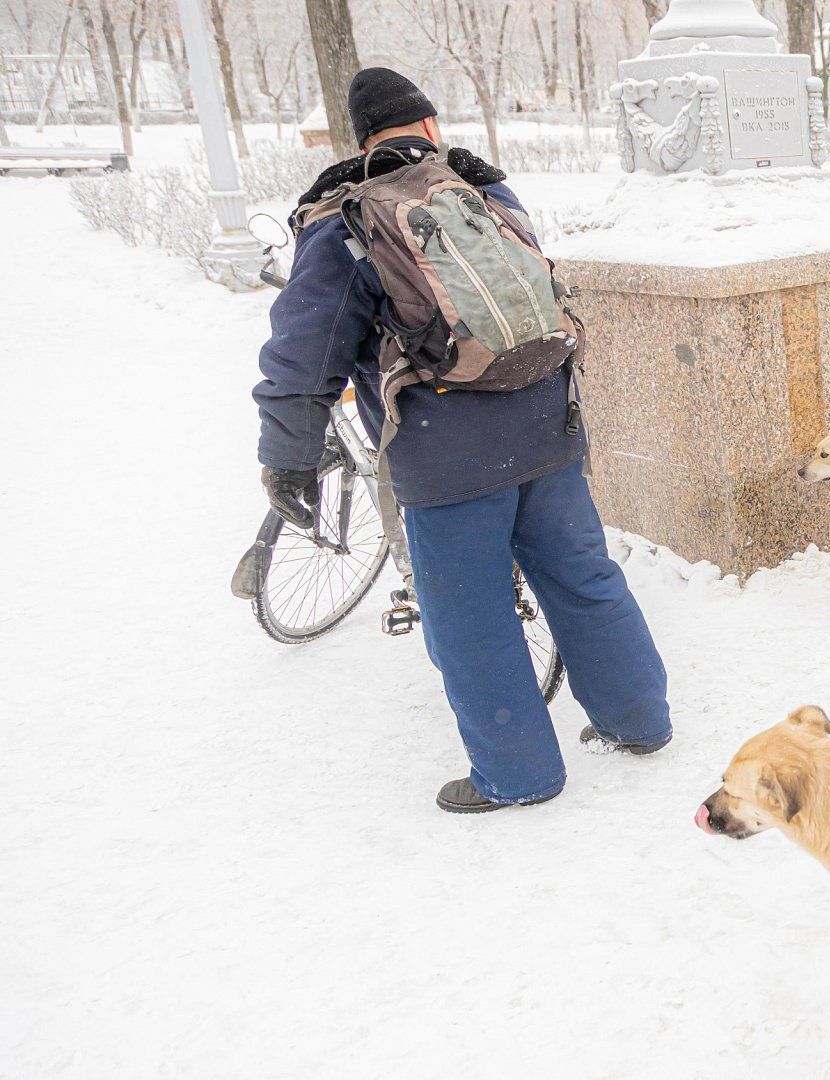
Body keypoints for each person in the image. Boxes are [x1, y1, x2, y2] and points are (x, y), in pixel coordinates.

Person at [252, 68, 673, 813]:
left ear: (362, 137)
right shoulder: (485, 191)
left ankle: (517, 776)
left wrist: (288, 456)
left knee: (469, 615)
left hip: (445, 452)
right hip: (546, 424)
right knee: (584, 577)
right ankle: (639, 723)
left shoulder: (343, 219)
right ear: (430, 125)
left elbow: (305, 352)